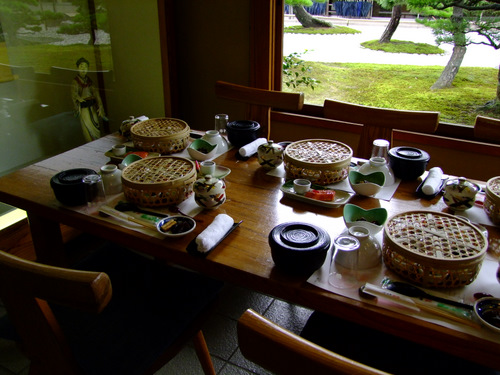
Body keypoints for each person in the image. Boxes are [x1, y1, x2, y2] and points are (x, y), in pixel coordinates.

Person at [71, 57, 106, 142]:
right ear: (77, 68)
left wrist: (100, 106)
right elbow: (74, 94)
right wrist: (78, 98)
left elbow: (96, 94)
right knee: (87, 128)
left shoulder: (89, 81)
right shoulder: (75, 82)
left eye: (85, 67)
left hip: (92, 107)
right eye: (81, 67)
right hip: (84, 109)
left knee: (96, 126)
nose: (83, 69)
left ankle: (98, 143)